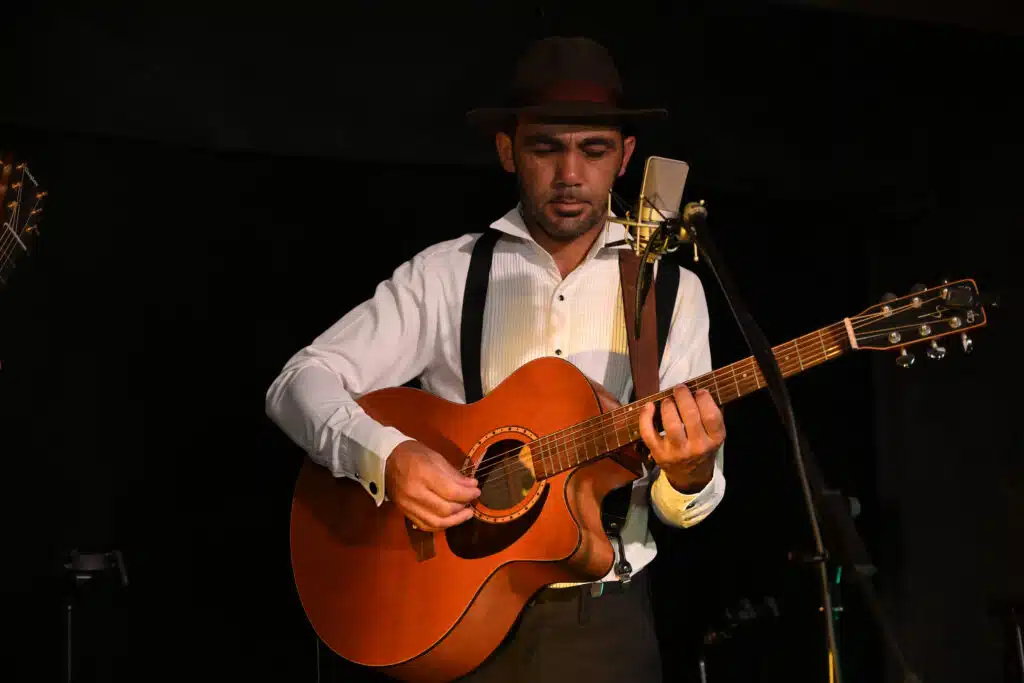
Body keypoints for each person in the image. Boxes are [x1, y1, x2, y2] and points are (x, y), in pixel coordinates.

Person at [265, 36, 727, 683]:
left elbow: (686, 505)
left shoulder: (672, 291)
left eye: (593, 150)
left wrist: (692, 469)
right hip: (447, 609)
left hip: (600, 626)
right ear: (508, 149)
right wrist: (386, 457)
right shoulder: (447, 273)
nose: (570, 174)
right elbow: (297, 384)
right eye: (546, 147)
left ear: (624, 157)